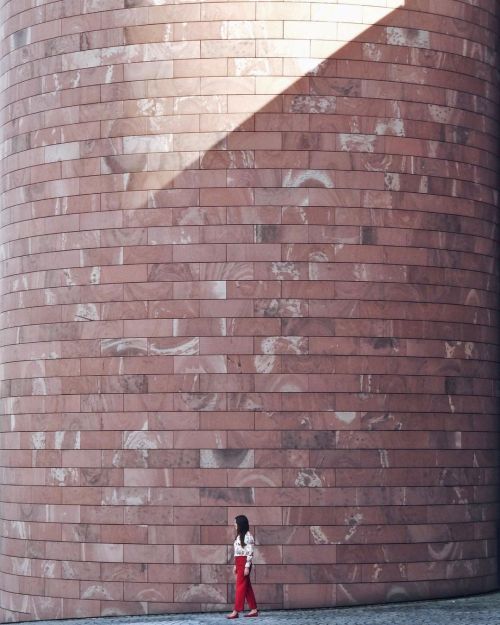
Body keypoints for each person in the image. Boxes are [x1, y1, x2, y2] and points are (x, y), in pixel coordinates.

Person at [227, 514, 258, 619]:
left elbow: (250, 553)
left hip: (245, 563)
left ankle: (236, 611)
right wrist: (236, 565)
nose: (234, 524)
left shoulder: (248, 536)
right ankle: (254, 610)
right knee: (246, 587)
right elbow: (237, 552)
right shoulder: (239, 536)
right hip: (239, 562)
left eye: (235, 523)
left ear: (240, 524)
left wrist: (246, 566)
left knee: (240, 587)